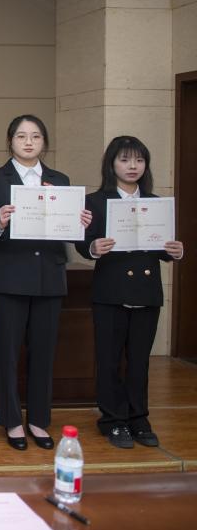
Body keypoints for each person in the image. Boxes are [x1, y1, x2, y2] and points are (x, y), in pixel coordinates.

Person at [0, 114, 91, 451]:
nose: (28, 142)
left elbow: (70, 232)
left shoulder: (60, 180)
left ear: (44, 143)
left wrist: (80, 223)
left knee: (44, 353)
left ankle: (39, 419)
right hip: (9, 277)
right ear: (10, 141)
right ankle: (11, 421)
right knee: (7, 354)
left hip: (49, 277)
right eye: (21, 136)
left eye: (36, 136)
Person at [76, 136, 184, 448]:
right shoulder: (96, 201)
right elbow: (83, 242)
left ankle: (139, 417)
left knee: (139, 361)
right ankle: (112, 420)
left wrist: (174, 251)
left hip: (146, 291)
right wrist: (93, 247)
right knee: (109, 360)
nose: (132, 166)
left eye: (138, 160)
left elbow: (162, 247)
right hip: (110, 291)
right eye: (124, 160)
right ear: (111, 164)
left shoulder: (156, 202)